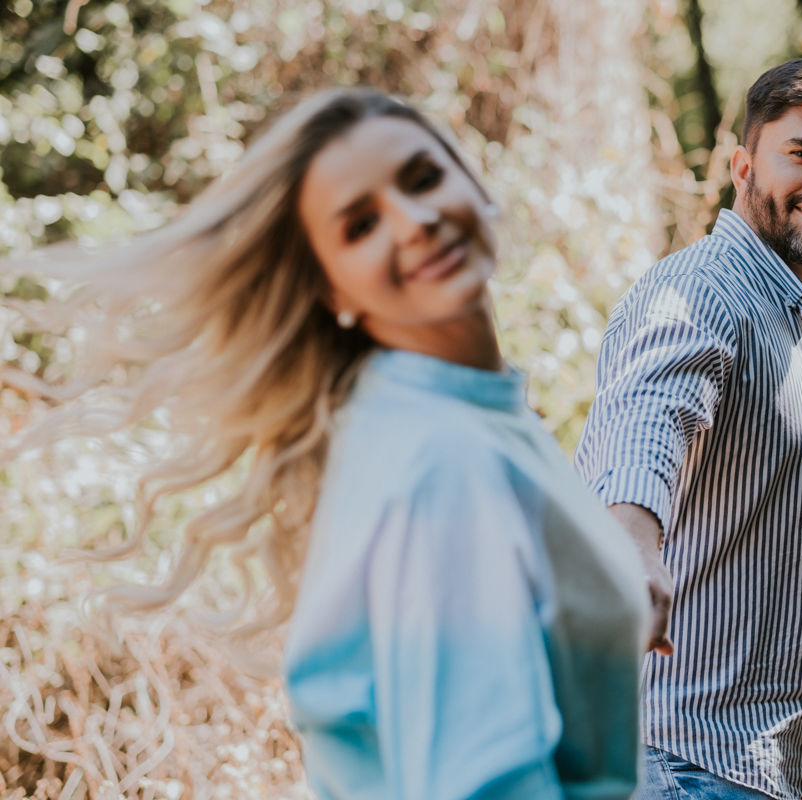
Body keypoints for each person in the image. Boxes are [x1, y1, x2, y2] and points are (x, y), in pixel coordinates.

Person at [2, 88, 648, 799]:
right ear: (331, 289)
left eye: (425, 178)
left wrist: (610, 592)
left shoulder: (435, 411)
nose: (416, 222)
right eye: (361, 225)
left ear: (472, 179)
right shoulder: (441, 459)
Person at [575, 55, 802, 800]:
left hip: (762, 771)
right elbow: (649, 414)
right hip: (676, 760)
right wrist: (630, 536)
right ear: (743, 166)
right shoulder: (699, 292)